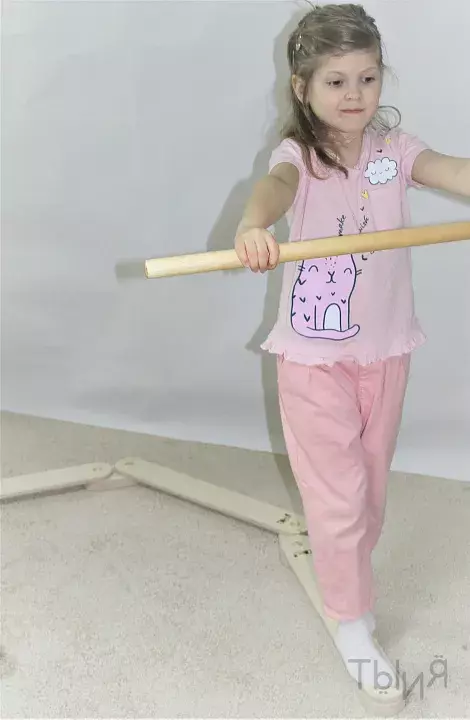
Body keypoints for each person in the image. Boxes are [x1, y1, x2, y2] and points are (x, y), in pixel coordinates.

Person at [234, 2, 470, 714]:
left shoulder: (392, 152)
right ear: (302, 87)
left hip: (385, 352)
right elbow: (272, 190)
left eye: (367, 78)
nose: (354, 94)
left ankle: (348, 577)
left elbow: (446, 168)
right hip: (314, 360)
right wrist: (254, 225)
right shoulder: (299, 158)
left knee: (366, 494)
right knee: (337, 498)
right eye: (335, 81)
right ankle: (353, 621)